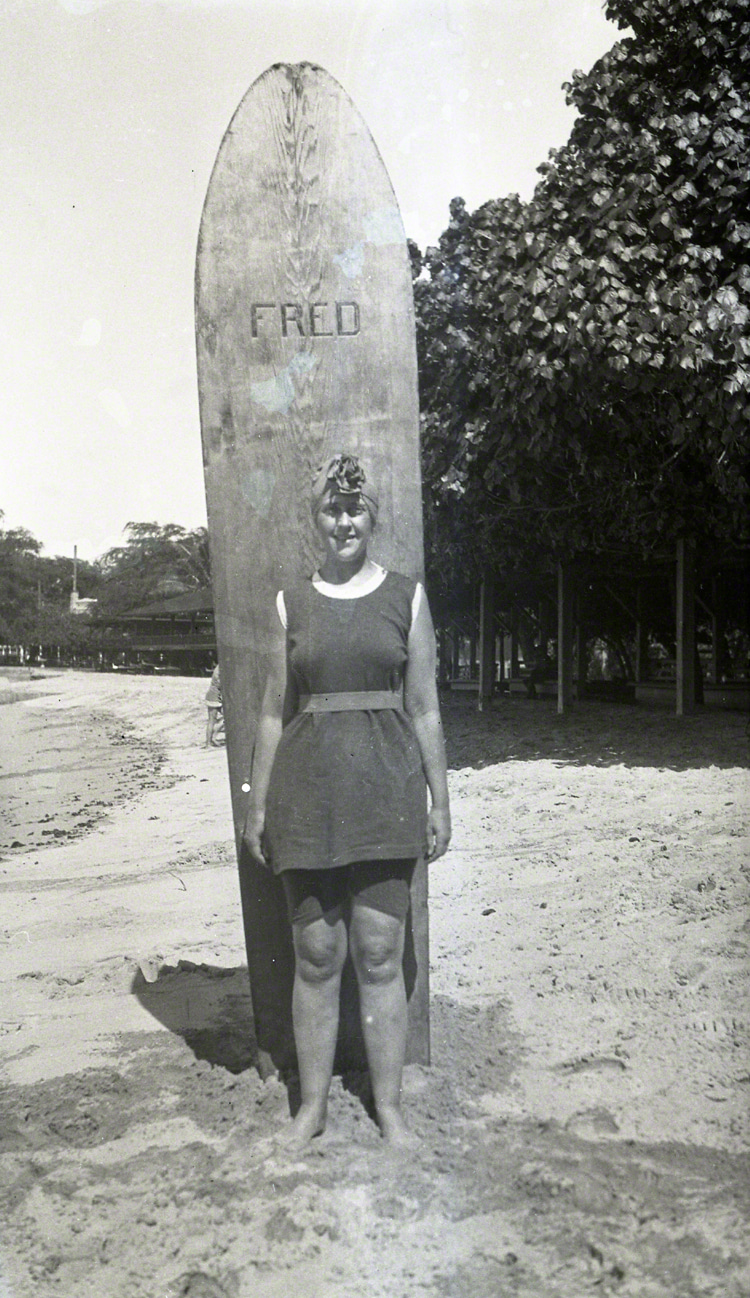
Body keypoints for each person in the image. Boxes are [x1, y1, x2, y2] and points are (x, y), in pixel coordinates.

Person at [245, 452, 451, 1148]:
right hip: (307, 799)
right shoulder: (289, 603)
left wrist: (440, 801)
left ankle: (389, 1108)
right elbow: (273, 711)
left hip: (386, 793)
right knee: (315, 953)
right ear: (316, 520)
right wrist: (258, 804)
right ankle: (312, 1107)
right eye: (332, 510)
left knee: (380, 950)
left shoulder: (407, 597)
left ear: (372, 518)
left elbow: (424, 708)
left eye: (354, 510)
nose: (343, 521)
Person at [204, 663, 224, 747]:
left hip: (213, 694)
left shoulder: (219, 666)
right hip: (215, 695)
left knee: (212, 720)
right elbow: (220, 683)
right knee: (212, 720)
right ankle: (210, 741)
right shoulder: (222, 667)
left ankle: (211, 740)